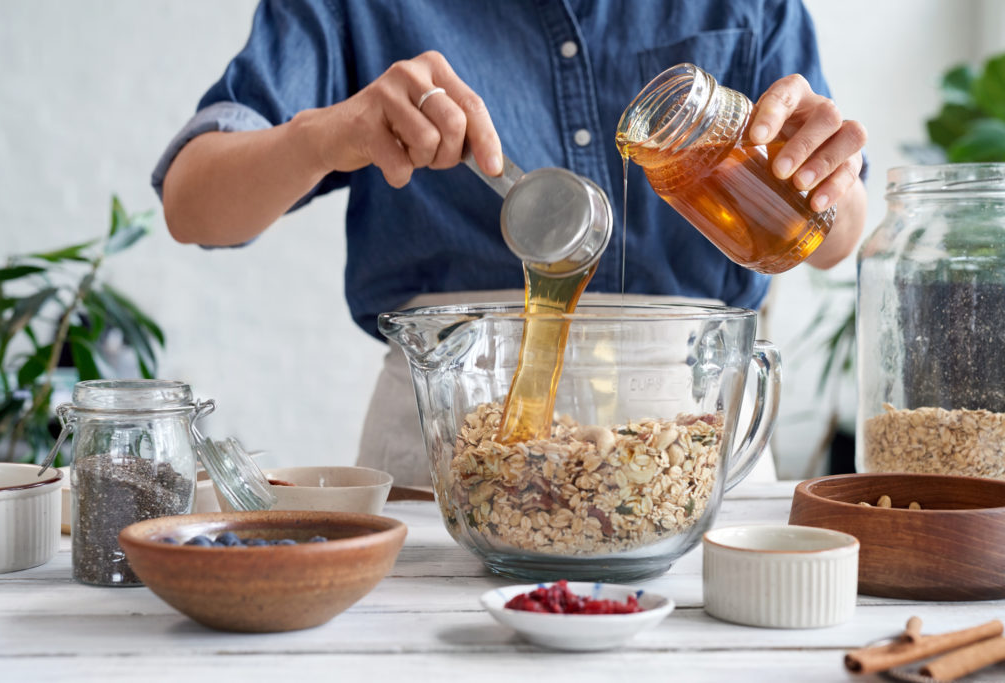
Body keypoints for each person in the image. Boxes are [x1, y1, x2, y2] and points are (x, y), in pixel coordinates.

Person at [153, 0, 867, 486]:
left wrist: (824, 174)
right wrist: (328, 133)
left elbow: (838, 242)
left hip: (695, 451)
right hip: (449, 452)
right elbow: (193, 206)